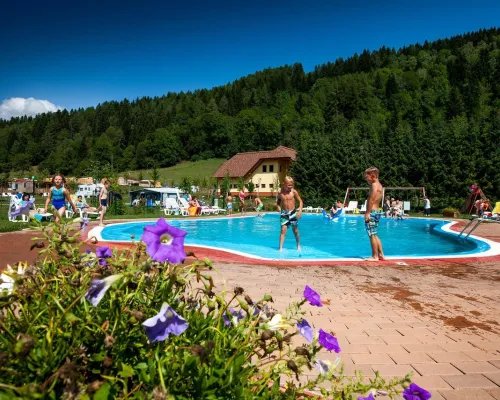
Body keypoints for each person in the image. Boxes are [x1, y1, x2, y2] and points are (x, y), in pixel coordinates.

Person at [277, 176, 303, 251]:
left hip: (293, 213)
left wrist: (300, 210)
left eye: (291, 185)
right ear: (284, 184)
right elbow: (278, 202)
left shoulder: (294, 192)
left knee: (295, 230)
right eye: (289, 185)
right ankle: (280, 248)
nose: (290, 187)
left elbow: (300, 201)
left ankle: (298, 244)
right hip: (284, 213)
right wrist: (278, 206)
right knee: (283, 230)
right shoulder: (280, 192)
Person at [364, 167, 385, 261]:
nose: (366, 179)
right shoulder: (380, 185)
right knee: (375, 234)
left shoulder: (374, 185)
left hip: (372, 212)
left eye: (367, 177)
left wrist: (367, 213)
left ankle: (374, 256)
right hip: (377, 212)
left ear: (373, 176)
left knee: (372, 234)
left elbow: (372, 199)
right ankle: (381, 254)